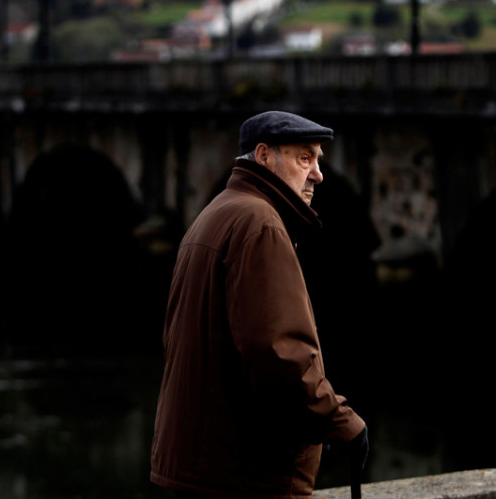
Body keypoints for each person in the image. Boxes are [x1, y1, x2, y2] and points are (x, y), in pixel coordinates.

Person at [150, 111, 368, 498]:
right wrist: (343, 422)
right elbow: (278, 351)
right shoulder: (260, 224)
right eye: (305, 158)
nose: (318, 173)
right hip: (245, 474)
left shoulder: (216, 213)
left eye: (318, 159)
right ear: (264, 155)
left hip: (201, 465)